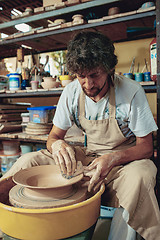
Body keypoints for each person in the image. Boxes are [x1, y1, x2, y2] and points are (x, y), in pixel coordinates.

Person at [1, 31, 160, 240]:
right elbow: (54, 136)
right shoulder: (72, 92)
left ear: (109, 69)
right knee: (29, 160)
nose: (88, 84)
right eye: (81, 76)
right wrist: (57, 146)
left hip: (125, 161)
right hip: (89, 156)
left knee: (141, 175)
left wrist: (113, 158)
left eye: (94, 75)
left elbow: (146, 148)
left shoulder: (131, 91)